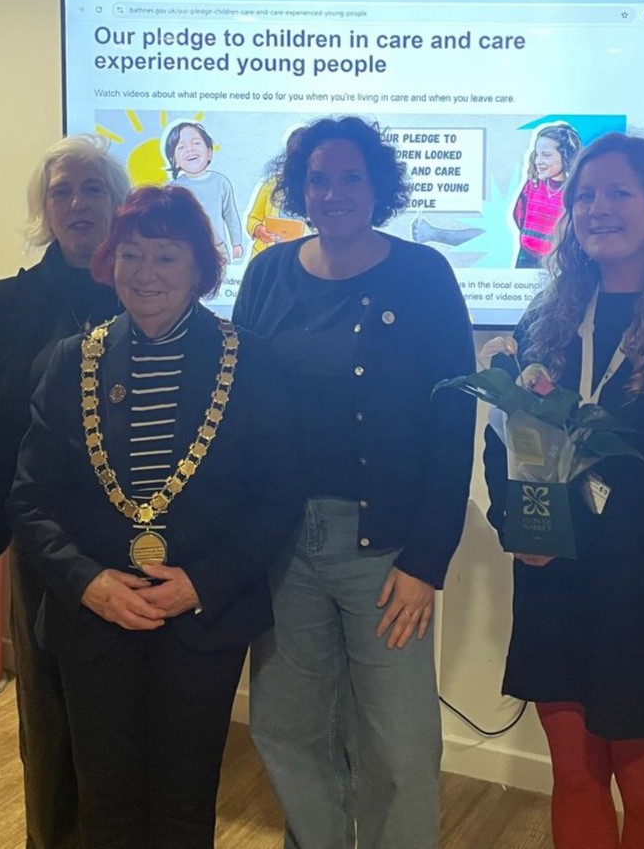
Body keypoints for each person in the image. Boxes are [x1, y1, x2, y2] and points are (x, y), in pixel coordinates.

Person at [8, 185, 303, 849]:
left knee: (183, 802)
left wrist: (200, 583)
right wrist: (88, 582)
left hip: (200, 618)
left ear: (200, 269)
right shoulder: (70, 361)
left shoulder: (251, 361)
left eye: (166, 257)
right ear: (109, 261)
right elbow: (31, 500)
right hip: (94, 616)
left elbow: (277, 497)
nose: (146, 273)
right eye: (131, 254)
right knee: (103, 801)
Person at [484, 131, 644, 849]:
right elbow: (502, 438)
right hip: (554, 571)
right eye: (585, 196)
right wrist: (515, 526)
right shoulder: (547, 320)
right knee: (573, 775)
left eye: (619, 193)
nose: (598, 208)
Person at [233, 115, 476, 849]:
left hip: (385, 549)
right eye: (317, 178)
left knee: (401, 744)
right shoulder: (267, 273)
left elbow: (453, 423)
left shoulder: (423, 275)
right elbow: (238, 400)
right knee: (288, 729)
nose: (332, 192)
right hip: (283, 544)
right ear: (298, 188)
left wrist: (426, 562)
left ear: (378, 187)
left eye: (349, 177)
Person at [0, 134, 130, 848]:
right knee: (49, 715)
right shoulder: (10, 302)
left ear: (118, 203)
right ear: (45, 207)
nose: (77, 203)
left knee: (128, 719)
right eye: (62, 191)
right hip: (43, 535)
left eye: (93, 188)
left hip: (141, 535)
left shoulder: (149, 288)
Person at [165, 120, 244, 262]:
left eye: (196, 143)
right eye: (181, 147)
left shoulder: (220, 182)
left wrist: (236, 242)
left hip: (217, 248)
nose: (190, 149)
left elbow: (230, 214)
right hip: (186, 249)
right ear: (173, 159)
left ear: (209, 152)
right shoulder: (173, 189)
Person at [512, 121, 582, 268]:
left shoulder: (574, 192)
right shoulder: (533, 184)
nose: (538, 161)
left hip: (558, 261)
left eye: (546, 155)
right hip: (526, 257)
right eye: (537, 155)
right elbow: (519, 215)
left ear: (565, 156)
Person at [246, 126, 308, 256]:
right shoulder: (271, 184)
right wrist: (258, 230)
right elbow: (253, 219)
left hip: (303, 258)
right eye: (294, 155)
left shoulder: (321, 190)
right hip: (268, 257)